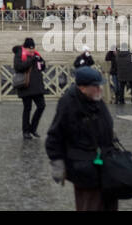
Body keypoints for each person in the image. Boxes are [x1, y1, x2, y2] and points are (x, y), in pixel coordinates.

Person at [46, 66, 121, 211]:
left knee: (110, 203)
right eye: (95, 86)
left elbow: (106, 123)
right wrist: (57, 162)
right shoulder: (68, 103)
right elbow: (55, 135)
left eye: (100, 85)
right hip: (83, 166)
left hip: (105, 162)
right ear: (82, 88)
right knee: (90, 205)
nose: (100, 89)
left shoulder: (96, 99)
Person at [12, 38, 47, 139]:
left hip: (37, 86)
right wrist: (32, 60)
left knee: (41, 106)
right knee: (27, 109)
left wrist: (41, 61)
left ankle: (33, 128)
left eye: (33, 48)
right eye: (29, 48)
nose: (31, 50)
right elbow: (18, 67)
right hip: (26, 86)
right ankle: (26, 131)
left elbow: (42, 68)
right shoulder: (19, 53)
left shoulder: (36, 54)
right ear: (25, 47)